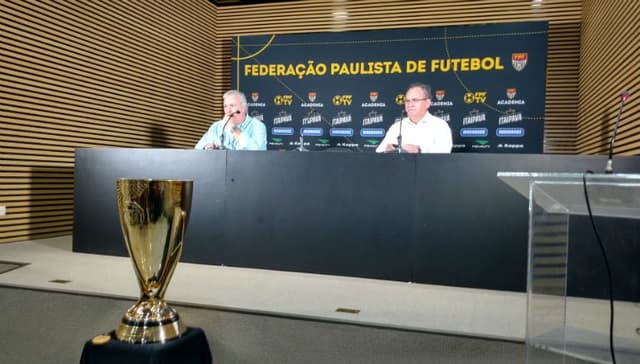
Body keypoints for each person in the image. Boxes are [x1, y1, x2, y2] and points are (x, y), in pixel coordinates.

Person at [376, 83, 453, 154]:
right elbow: (378, 152)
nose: (410, 104)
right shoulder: (397, 127)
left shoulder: (440, 125)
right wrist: (386, 151)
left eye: (415, 100)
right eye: (407, 101)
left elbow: (444, 151)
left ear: (427, 103)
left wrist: (419, 150)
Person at [195, 90, 267, 151]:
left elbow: (258, 152)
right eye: (225, 106)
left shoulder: (257, 126)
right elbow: (197, 149)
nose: (228, 110)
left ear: (243, 108)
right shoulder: (216, 126)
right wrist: (207, 147)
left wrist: (234, 129)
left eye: (232, 105)